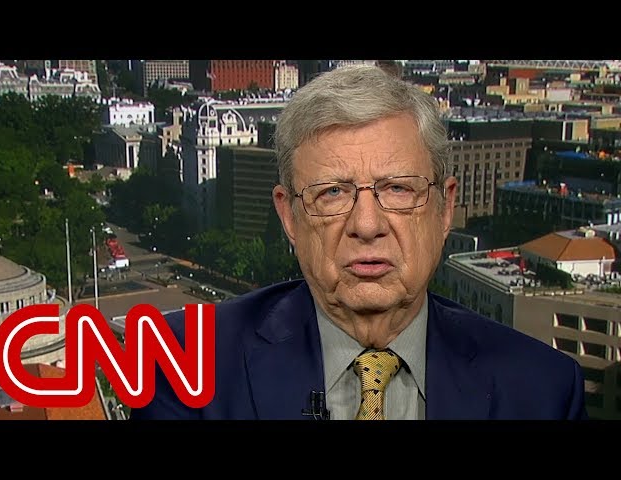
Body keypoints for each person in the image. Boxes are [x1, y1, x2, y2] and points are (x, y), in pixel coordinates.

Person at [130, 64, 587, 420]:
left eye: (398, 189)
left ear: (445, 209)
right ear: (289, 216)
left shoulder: (543, 390)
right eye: (332, 192)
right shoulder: (182, 362)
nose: (367, 225)